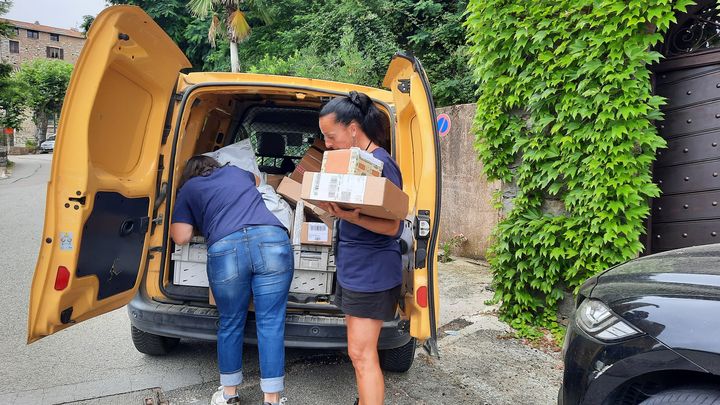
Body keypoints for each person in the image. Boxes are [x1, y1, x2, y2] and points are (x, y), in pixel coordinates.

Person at [170, 156, 293, 405]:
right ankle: (272, 399)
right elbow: (259, 181)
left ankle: (229, 395)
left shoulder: (189, 189)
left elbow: (181, 237)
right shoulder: (237, 172)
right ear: (214, 165)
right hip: (272, 240)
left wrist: (200, 217)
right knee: (271, 322)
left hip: (227, 249)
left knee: (230, 322)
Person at [316, 91, 404, 405]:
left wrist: (350, 216)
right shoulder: (354, 163)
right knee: (357, 352)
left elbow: (394, 227)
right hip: (353, 269)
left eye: (330, 136)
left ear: (353, 128)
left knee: (362, 354)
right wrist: (337, 213)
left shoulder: (381, 162)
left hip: (373, 273)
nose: (326, 143)